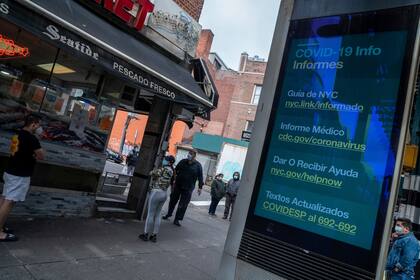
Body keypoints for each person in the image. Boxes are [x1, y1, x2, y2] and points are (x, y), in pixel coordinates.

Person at [0, 115, 44, 242]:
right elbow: (41, 155)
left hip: (10, 171)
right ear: (33, 125)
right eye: (38, 125)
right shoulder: (32, 139)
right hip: (19, 175)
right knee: (9, 202)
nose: (39, 128)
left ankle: (1, 226)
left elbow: (14, 151)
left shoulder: (17, 135)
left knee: (4, 198)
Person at [139, 155, 175, 243]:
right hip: (164, 193)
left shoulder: (163, 169)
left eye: (165, 160)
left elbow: (151, 173)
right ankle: (154, 236)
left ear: (169, 162)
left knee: (150, 214)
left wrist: (154, 170)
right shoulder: (172, 171)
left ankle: (146, 234)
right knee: (158, 214)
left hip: (156, 192)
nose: (163, 160)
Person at [162, 149, 203, 226]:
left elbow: (200, 177)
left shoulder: (198, 166)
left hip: (188, 188)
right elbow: (175, 171)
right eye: (189, 153)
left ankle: (177, 219)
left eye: (191, 154)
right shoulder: (182, 161)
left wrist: (200, 187)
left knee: (183, 204)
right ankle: (169, 213)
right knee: (172, 200)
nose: (189, 155)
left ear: (194, 155)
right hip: (178, 185)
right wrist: (173, 182)